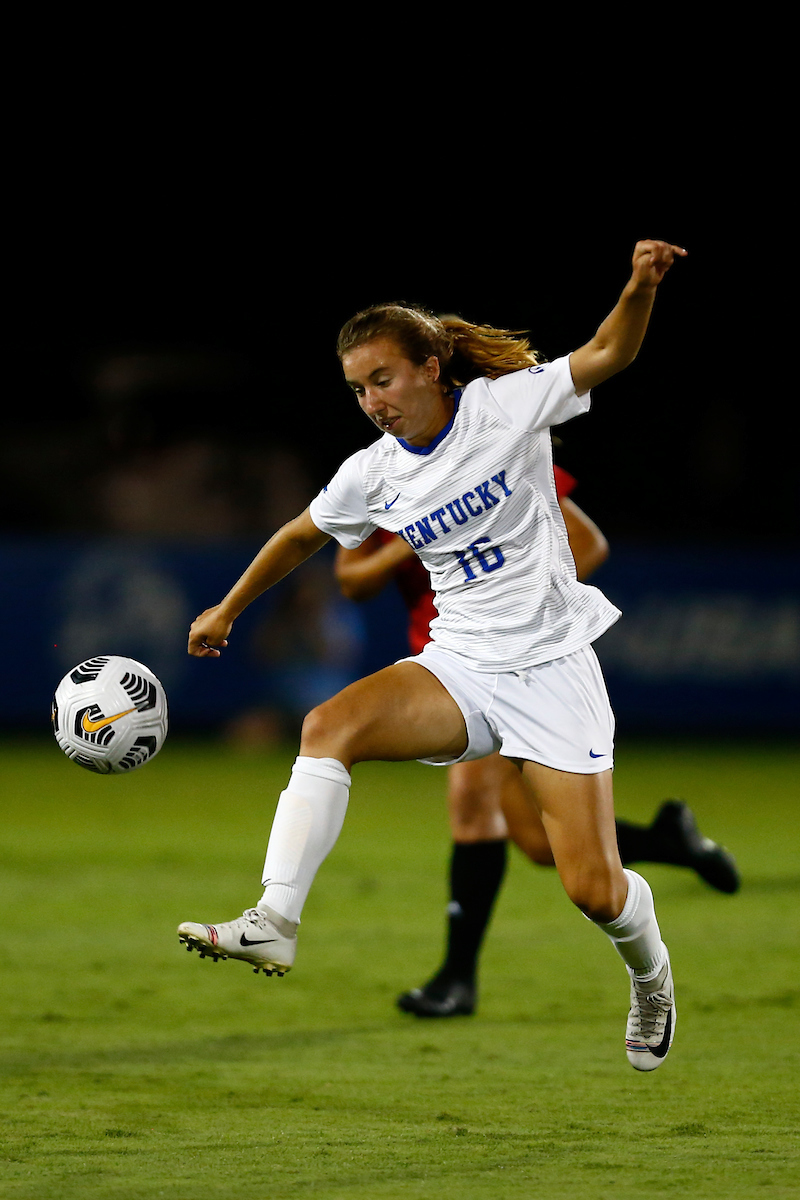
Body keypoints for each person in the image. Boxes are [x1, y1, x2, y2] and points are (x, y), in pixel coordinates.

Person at [180, 238, 688, 1072]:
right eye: (356, 390)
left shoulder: (506, 407)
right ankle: (274, 921)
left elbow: (610, 352)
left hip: (554, 669)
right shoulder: (373, 471)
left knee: (593, 890)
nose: (372, 401)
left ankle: (652, 972)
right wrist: (229, 607)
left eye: (383, 379)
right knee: (327, 726)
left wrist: (638, 287)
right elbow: (303, 535)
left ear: (430, 366)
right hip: (460, 665)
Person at [333, 466, 740, 1018]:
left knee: (473, 806)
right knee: (538, 842)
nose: (381, 401)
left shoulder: (495, 451)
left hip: (512, 662)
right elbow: (352, 582)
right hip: (446, 665)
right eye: (366, 387)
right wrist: (406, 544)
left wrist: (527, 603)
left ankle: (457, 979)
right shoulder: (385, 474)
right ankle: (671, 841)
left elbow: (589, 544)